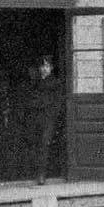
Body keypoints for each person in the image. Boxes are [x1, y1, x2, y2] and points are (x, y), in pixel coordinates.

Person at [29, 55, 63, 185]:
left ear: (52, 68)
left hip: (49, 119)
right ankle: (34, 171)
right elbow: (30, 99)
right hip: (36, 118)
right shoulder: (35, 82)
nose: (44, 69)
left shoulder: (55, 83)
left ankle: (42, 174)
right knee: (35, 144)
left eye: (47, 66)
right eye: (42, 66)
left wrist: (52, 117)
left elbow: (58, 103)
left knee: (44, 144)